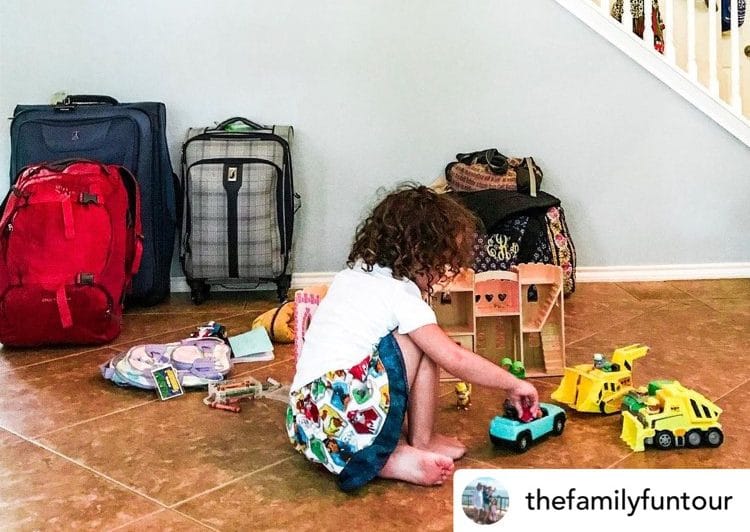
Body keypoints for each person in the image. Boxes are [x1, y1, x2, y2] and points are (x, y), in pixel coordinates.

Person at [286, 183, 540, 491]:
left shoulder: (351, 275)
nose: (443, 271)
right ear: (418, 254)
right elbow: (454, 358)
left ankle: (386, 457)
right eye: (441, 262)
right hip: (347, 411)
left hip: (306, 421)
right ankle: (419, 441)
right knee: (424, 343)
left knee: (396, 344)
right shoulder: (401, 295)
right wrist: (515, 384)